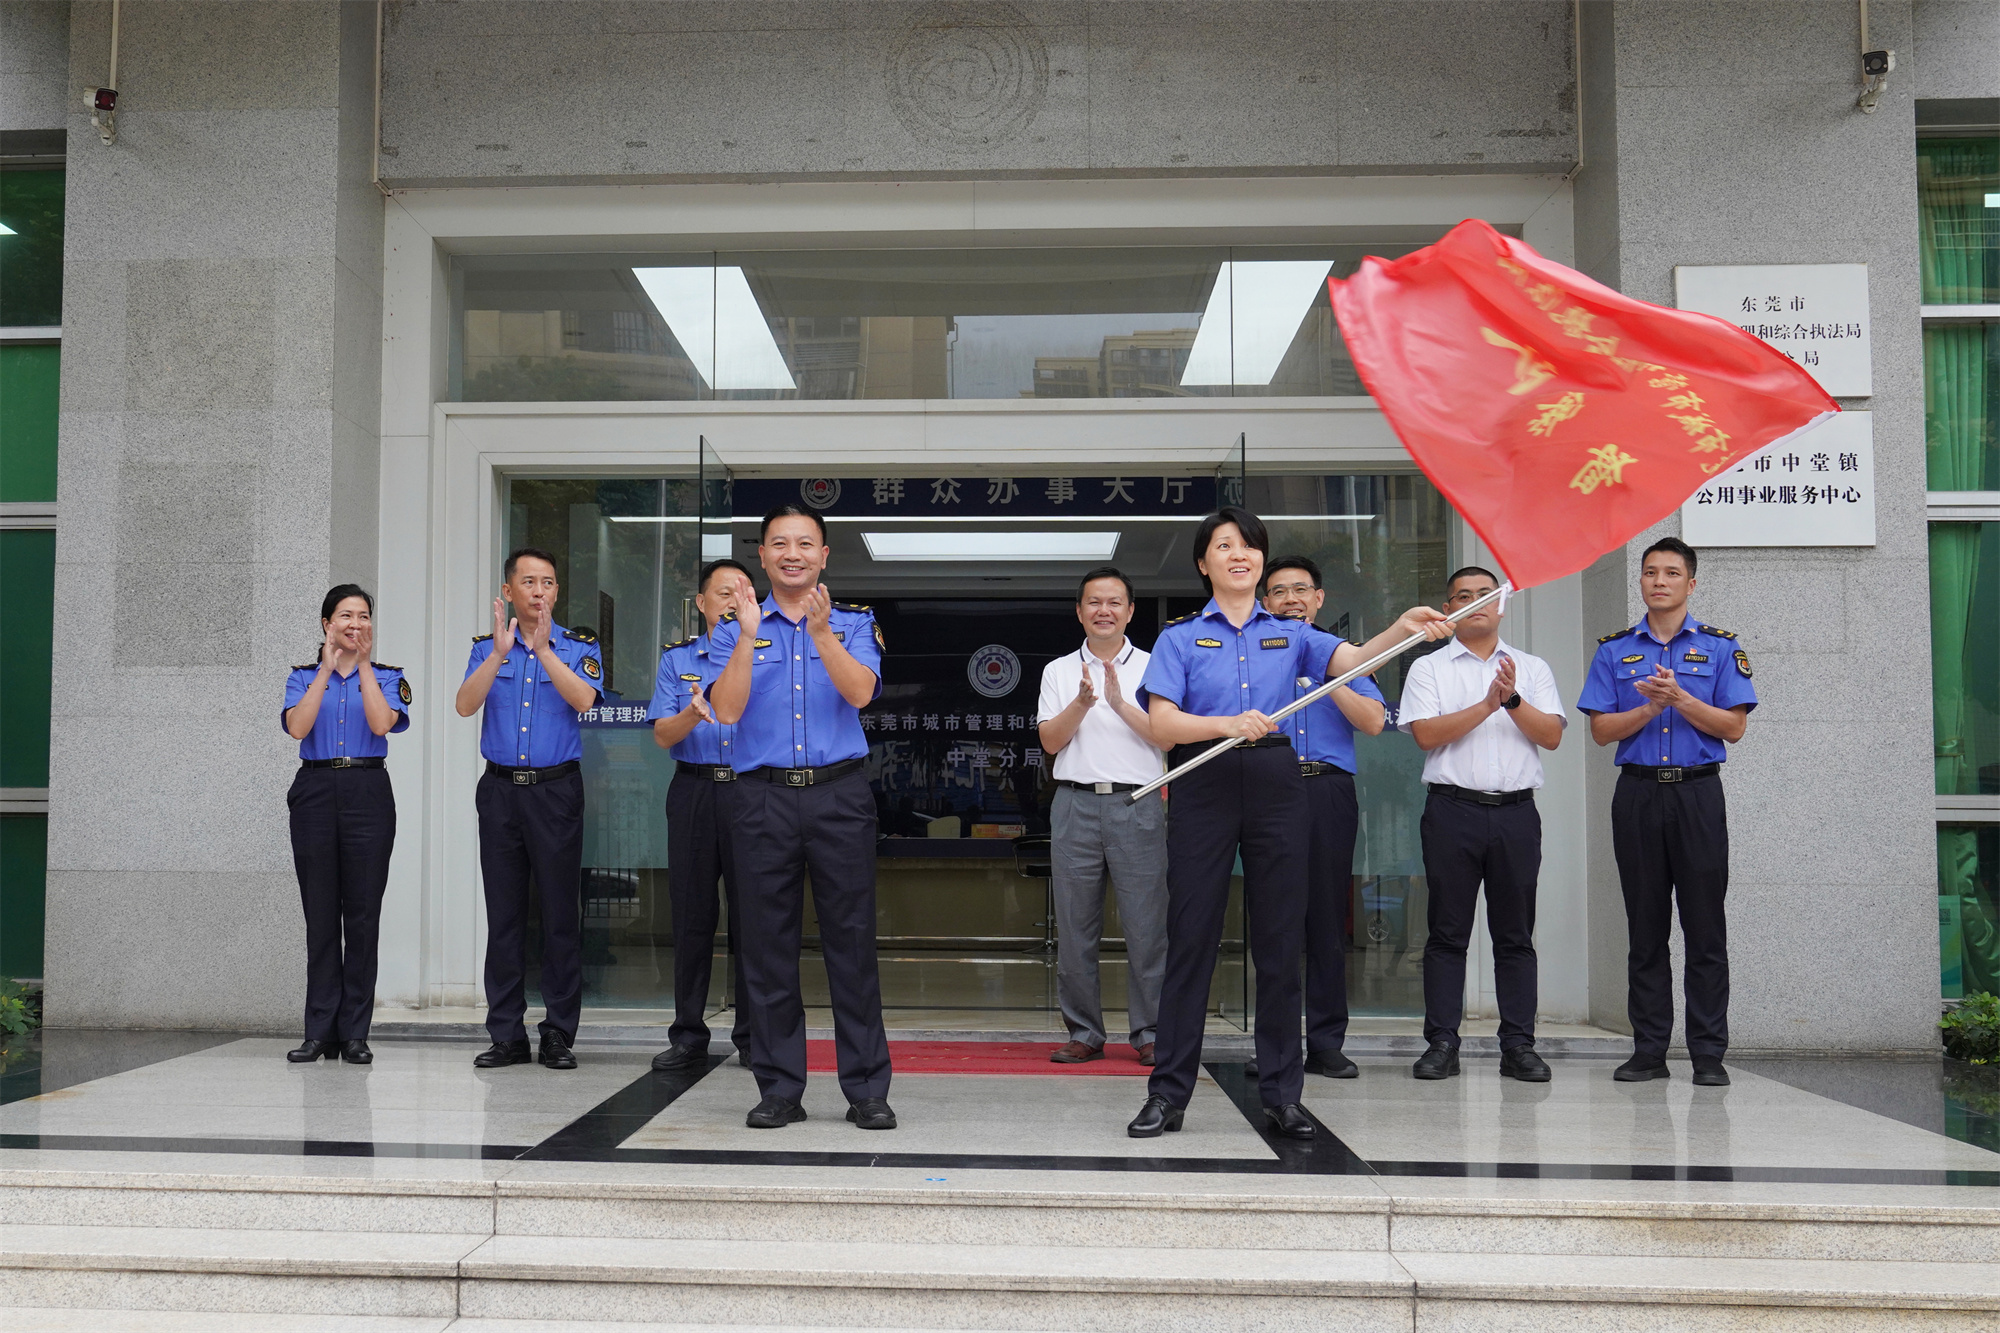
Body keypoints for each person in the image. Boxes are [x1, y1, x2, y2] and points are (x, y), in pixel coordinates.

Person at [1128, 508, 1452, 1140]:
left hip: (1277, 783)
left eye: (1249, 545)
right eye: (1225, 546)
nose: (1239, 554)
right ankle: (1168, 1094)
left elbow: (1354, 659)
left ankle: (1282, 1093)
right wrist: (1228, 723)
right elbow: (1163, 725)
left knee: (1281, 943)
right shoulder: (1179, 638)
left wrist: (1401, 629)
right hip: (1204, 777)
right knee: (1191, 937)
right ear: (1205, 563)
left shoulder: (1293, 633)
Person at [709, 504, 894, 1131]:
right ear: (761, 556)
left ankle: (867, 1088)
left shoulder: (854, 623)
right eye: (779, 544)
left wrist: (820, 636)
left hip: (839, 797)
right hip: (760, 798)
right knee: (766, 948)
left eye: (805, 544)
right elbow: (726, 712)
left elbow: (862, 693)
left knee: (851, 944)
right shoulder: (734, 625)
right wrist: (743, 636)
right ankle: (780, 1086)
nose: (793, 553)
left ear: (823, 556)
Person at [1577, 537, 1754, 1087]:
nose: (1659, 581)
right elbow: (1602, 731)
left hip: (1698, 794)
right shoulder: (1614, 650)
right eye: (1650, 572)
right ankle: (1649, 1049)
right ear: (1641, 582)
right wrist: (1650, 706)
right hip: (1638, 794)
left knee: (1705, 926)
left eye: (1671, 573)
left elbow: (1734, 727)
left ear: (1690, 584)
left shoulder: (1722, 648)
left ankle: (1707, 1053)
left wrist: (1682, 701)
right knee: (1645, 926)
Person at [1398, 566, 1566, 1082]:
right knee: (1447, 934)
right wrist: (1487, 703)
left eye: (1484, 595)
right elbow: (1426, 735)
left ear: (1502, 604)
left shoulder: (1531, 667)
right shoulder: (1428, 668)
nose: (1475, 603)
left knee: (1515, 936)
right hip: (1453, 811)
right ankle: (1442, 1043)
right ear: (1449, 610)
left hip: (1516, 813)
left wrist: (1511, 700)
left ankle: (1518, 1045)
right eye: (1462, 597)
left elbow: (1552, 736)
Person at [455, 547, 603, 1071]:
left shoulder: (578, 646)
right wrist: (500, 653)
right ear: (508, 592)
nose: (539, 591)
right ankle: (506, 1034)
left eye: (548, 583)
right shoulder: (485, 649)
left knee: (561, 914)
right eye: (529, 582)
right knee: (505, 916)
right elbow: (464, 704)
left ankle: (558, 1033)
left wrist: (542, 652)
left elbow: (585, 700)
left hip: (556, 792)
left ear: (557, 592)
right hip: (500, 794)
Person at [1035, 566, 1169, 1067]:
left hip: (1139, 803)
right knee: (1074, 926)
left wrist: (1117, 702)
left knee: (1147, 925)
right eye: (1094, 602)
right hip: (1074, 803)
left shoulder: (1158, 665)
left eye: (1115, 602)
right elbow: (1050, 741)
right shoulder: (1059, 670)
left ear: (1131, 611)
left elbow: (1167, 736)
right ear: (1079, 611)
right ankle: (1085, 1032)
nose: (1104, 611)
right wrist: (1084, 703)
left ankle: (1152, 1031)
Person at [1261, 556, 1387, 1080]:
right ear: (1265, 604)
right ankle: (1276, 1046)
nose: (1290, 598)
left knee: (1327, 918)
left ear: (1319, 599)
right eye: (1279, 591)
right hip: (1271, 789)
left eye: (1300, 589)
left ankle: (1327, 1041)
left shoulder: (1346, 660)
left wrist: (1328, 680)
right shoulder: (1258, 659)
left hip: (1329, 789)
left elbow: (1375, 722)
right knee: (1276, 922)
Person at [281, 585, 410, 1065]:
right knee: (320, 914)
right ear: (326, 623)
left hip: (367, 791)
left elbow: (381, 725)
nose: (355, 623)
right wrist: (325, 668)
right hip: (315, 791)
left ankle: (355, 1032)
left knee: (360, 915)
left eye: (363, 616)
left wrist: (365, 668)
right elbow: (298, 727)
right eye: (345, 616)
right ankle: (319, 1031)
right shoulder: (300, 677)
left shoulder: (390, 676)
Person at [647, 558, 755, 1073]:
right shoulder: (679, 661)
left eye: (744, 593)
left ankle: (755, 1035)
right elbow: (662, 735)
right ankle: (689, 1033)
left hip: (753, 793)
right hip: (692, 791)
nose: (733, 602)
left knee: (755, 917)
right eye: (724, 594)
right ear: (702, 604)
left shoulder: (767, 656)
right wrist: (693, 710)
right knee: (691, 916)